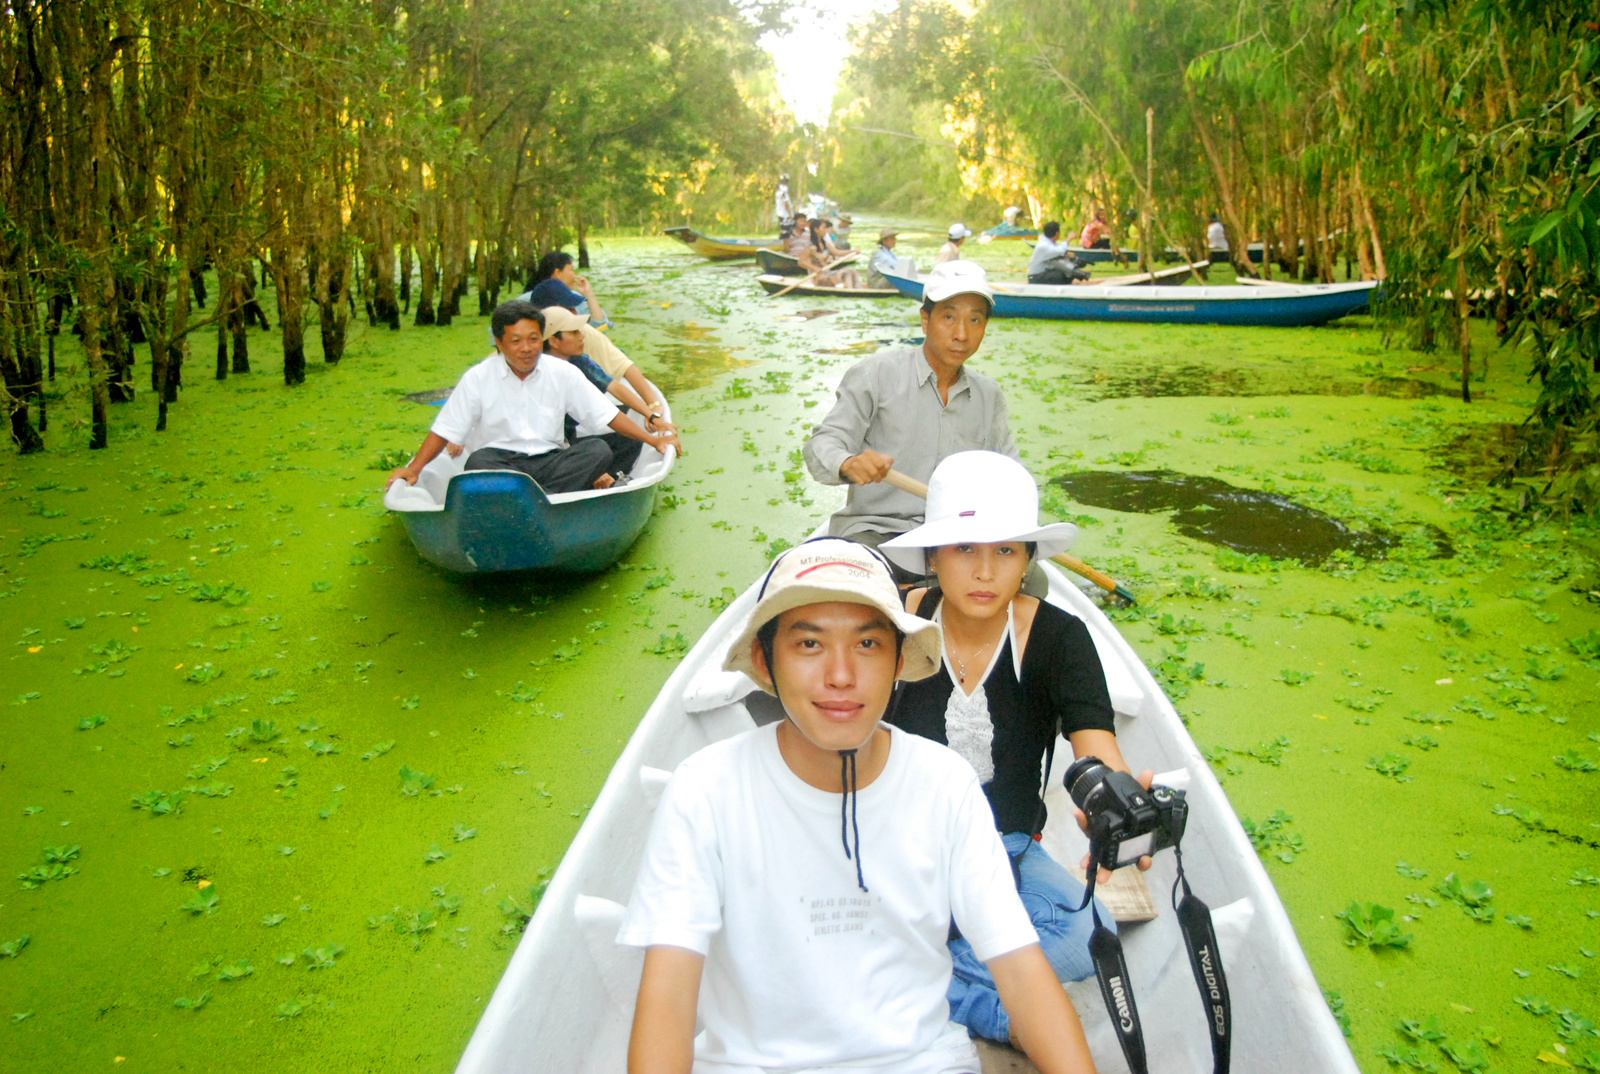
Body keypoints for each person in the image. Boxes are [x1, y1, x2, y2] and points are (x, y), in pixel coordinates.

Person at [620, 538, 1100, 1074]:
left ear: (899, 660)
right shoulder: (706, 791)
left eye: (868, 644)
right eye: (809, 645)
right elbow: (667, 1001)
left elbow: (1021, 974)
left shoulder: (944, 784)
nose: (842, 676)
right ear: (764, 659)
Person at [880, 451, 1153, 1046]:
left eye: (1005, 550)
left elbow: (1097, 744)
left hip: (1005, 850)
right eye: (964, 549)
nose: (984, 573)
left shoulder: (1060, 637)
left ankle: (919, 979)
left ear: (1028, 560)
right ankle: (998, 1006)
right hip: (898, 846)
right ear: (933, 556)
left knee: (1090, 934)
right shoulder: (894, 623)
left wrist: (1117, 801)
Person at [803, 260, 1018, 580]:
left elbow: (1010, 477)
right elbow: (823, 443)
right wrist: (848, 462)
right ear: (925, 320)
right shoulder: (875, 375)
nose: (962, 334)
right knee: (869, 580)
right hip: (879, 535)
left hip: (955, 542)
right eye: (949, 317)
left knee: (1033, 582)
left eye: (974, 320)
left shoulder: (989, 396)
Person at [385, 300, 675, 495]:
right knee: (477, 462)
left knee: (597, 451)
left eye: (534, 339)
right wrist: (414, 469)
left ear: (543, 339)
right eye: (516, 341)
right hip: (502, 464)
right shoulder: (478, 378)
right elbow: (445, 430)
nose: (526, 348)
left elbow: (608, 416)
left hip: (551, 461)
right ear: (499, 343)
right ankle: (547, 497)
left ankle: (534, 499)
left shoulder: (562, 372)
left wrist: (654, 439)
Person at [540, 306, 684, 478]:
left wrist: (653, 417)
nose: (582, 336)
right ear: (554, 341)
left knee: (630, 439)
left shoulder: (578, 361)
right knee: (597, 451)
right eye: (574, 332)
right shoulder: (539, 373)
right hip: (545, 451)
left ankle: (611, 480)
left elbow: (615, 387)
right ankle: (594, 480)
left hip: (568, 440)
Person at [524, 251, 610, 330]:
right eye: (571, 270)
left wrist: (588, 294)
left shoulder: (574, 296)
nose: (575, 275)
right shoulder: (524, 302)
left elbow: (601, 325)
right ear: (558, 273)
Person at [800, 219, 861, 289]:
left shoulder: (825, 243)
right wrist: (815, 268)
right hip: (819, 278)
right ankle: (849, 292)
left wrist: (853, 251)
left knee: (852, 271)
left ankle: (858, 290)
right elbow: (801, 262)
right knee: (845, 273)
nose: (825, 230)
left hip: (828, 273)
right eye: (823, 228)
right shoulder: (810, 246)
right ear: (816, 229)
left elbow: (837, 252)